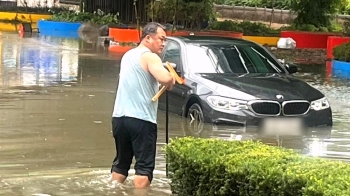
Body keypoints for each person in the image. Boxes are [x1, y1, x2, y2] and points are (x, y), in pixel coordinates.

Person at [110, 22, 175, 189]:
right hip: (141, 120)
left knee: (121, 165)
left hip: (119, 118)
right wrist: (171, 78)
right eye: (161, 39)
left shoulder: (128, 55)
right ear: (147, 38)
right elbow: (164, 78)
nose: (163, 43)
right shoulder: (150, 56)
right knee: (144, 169)